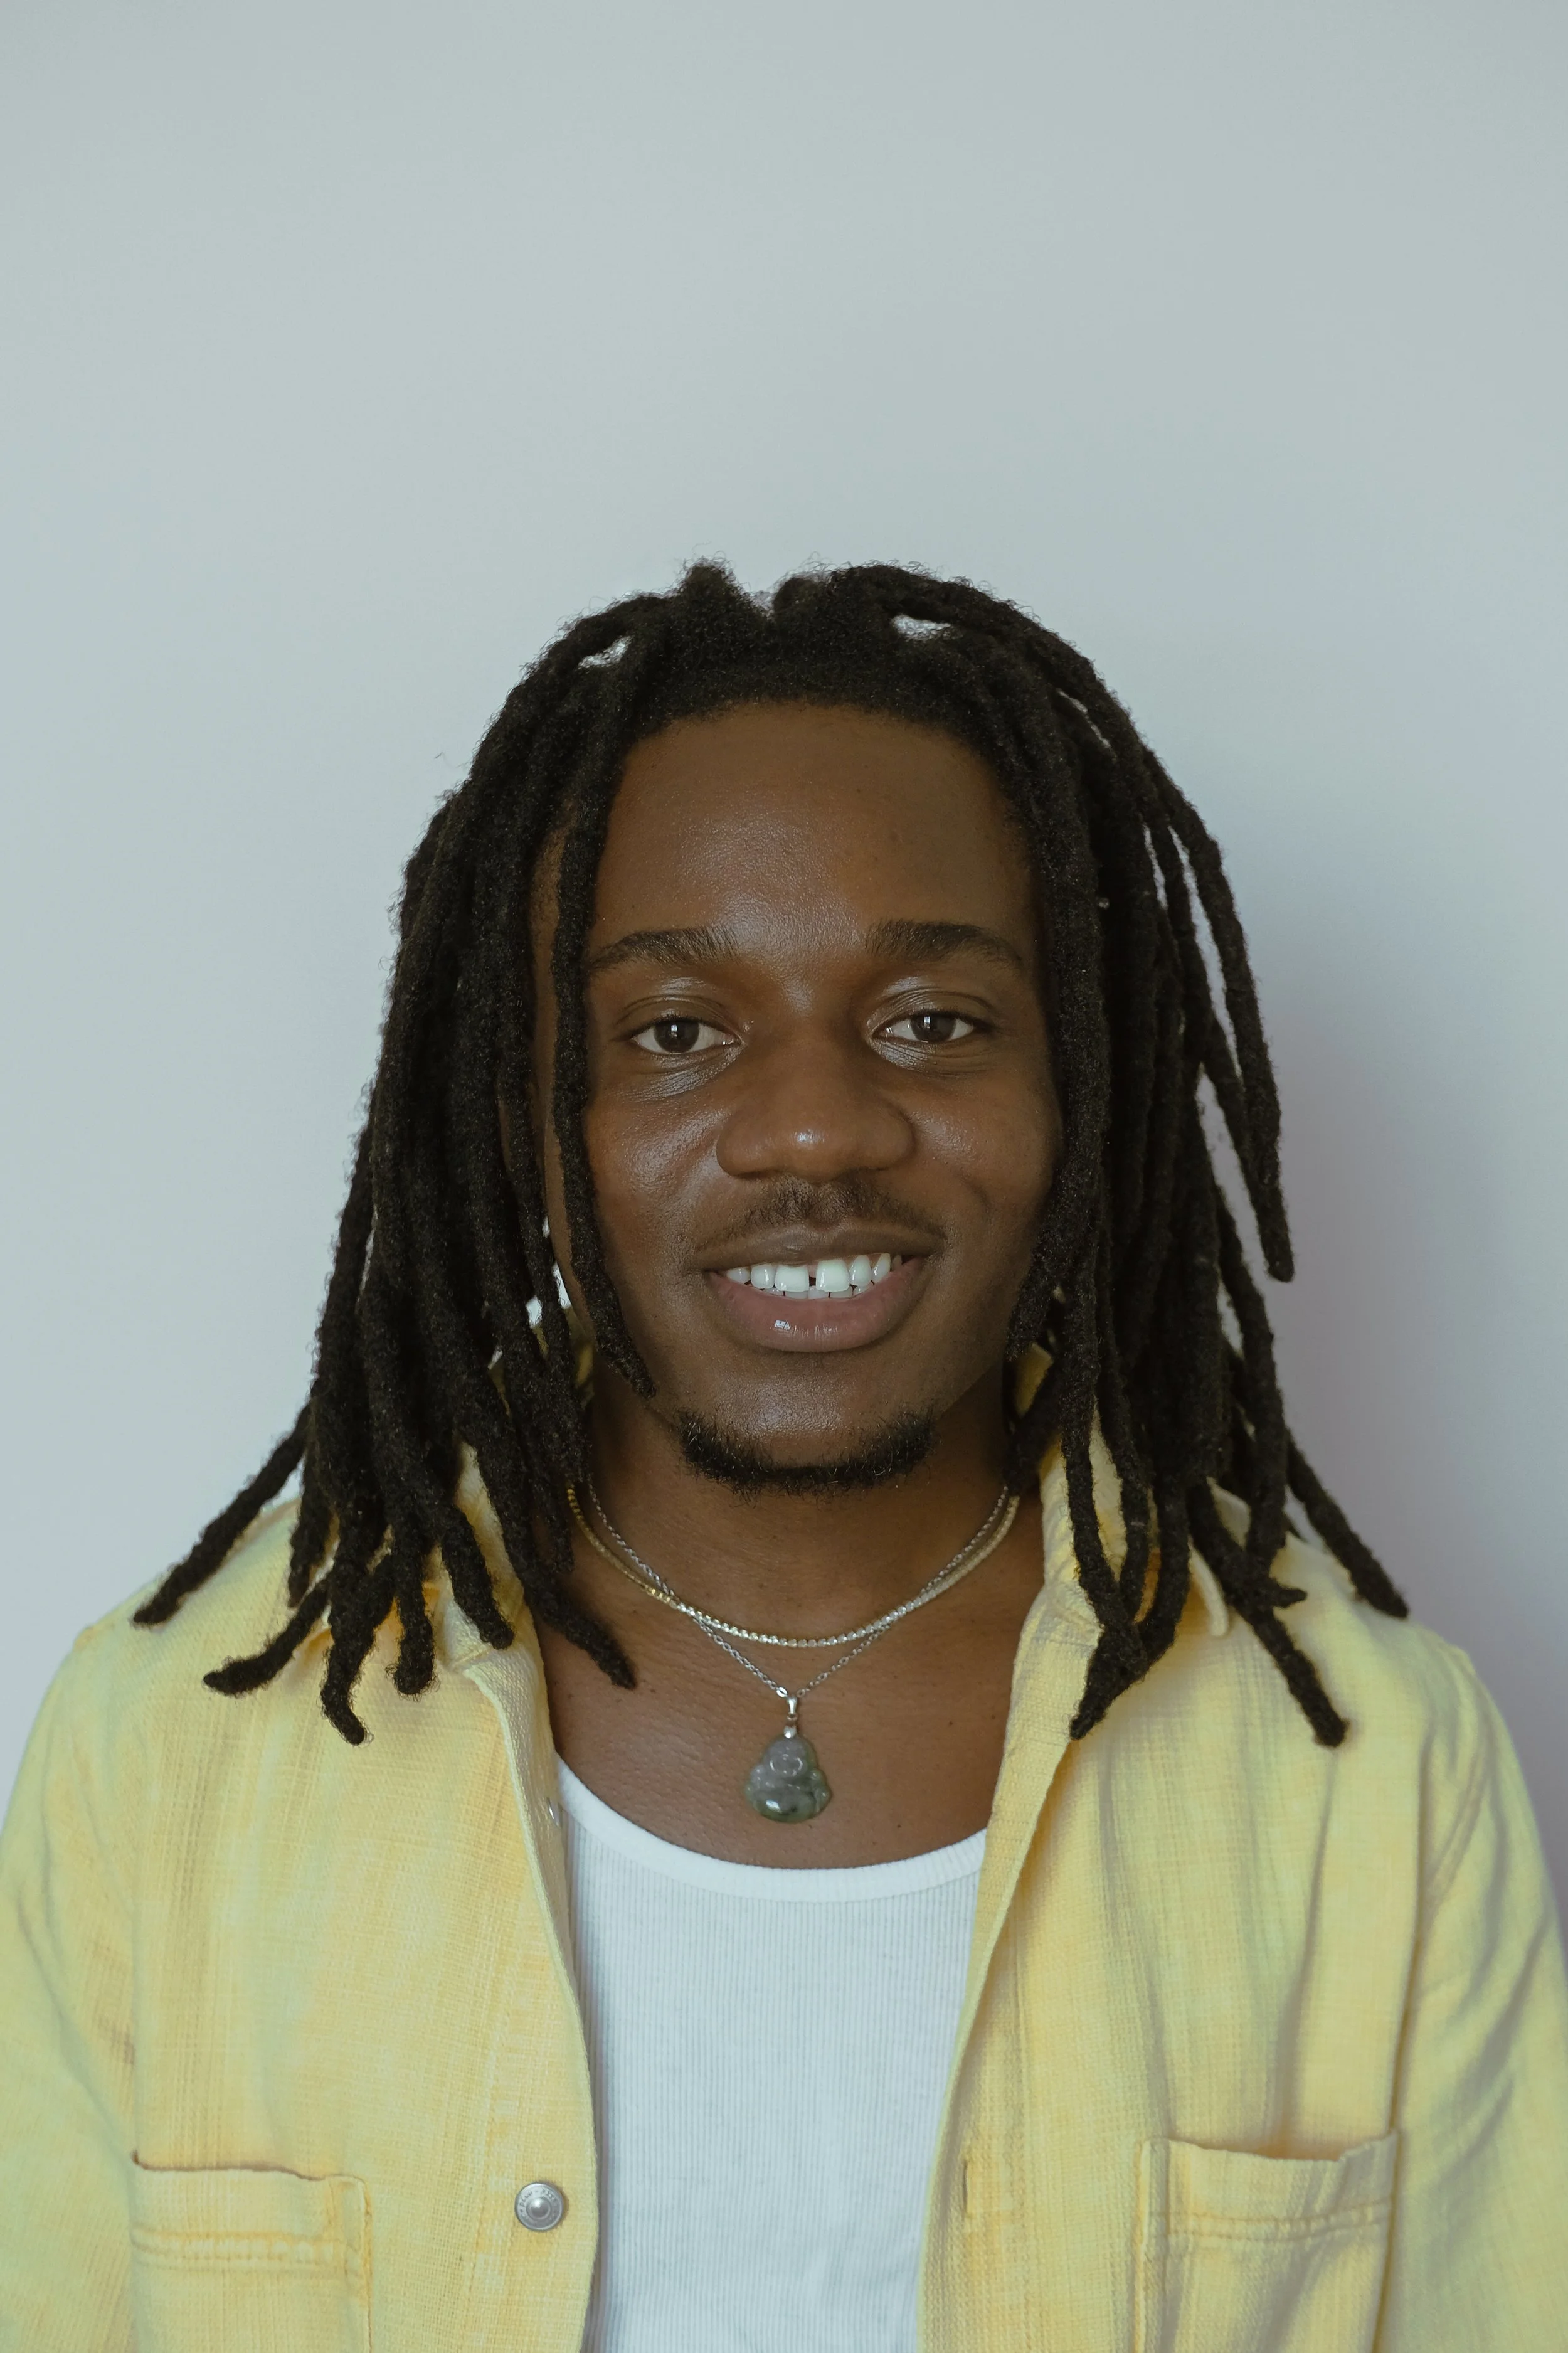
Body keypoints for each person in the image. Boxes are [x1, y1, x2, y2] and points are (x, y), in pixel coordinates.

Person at [2, 563, 1564, 2352]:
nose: (816, 1127)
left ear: (1079, 1091)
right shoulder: (170, 1746)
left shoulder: (1369, 1766)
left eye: (932, 1022)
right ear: (525, 1118)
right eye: (676, 1033)